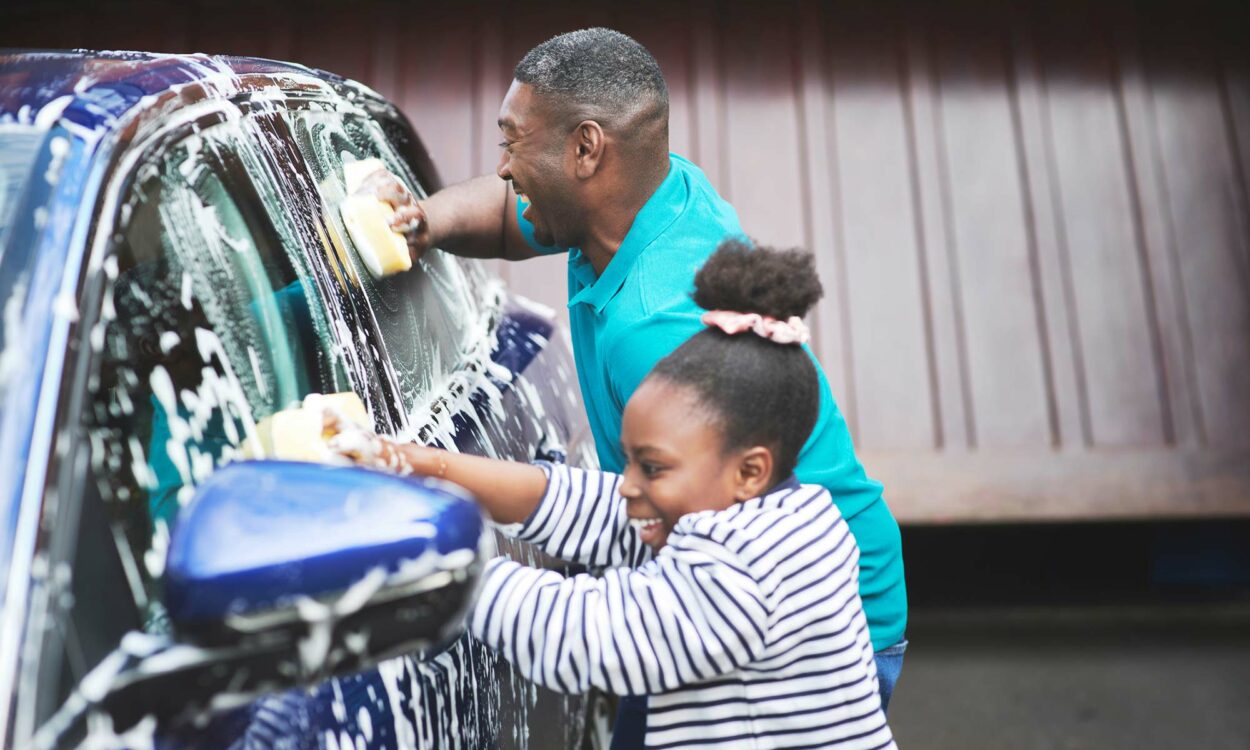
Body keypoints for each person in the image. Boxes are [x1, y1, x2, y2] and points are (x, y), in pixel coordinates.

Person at [367, 27, 907, 706]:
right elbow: (510, 213)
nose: (503, 166)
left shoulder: (657, 329)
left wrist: (431, 562)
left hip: (804, 633)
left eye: (512, 142)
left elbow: (616, 624)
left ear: (586, 149)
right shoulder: (642, 198)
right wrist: (425, 221)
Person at [333, 244, 895, 750]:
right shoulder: (791, 511)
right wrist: (419, 463)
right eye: (630, 459)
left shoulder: (740, 569)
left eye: (652, 467)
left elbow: (581, 633)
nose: (629, 483)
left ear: (749, 471)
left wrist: (431, 557)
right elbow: (581, 504)